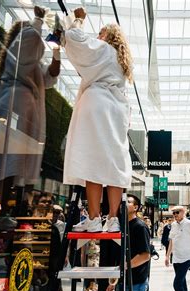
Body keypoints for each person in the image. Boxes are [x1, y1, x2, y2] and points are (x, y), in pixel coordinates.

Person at [62, 7, 133, 233]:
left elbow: (74, 39)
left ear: (108, 36)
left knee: (93, 162)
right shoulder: (122, 63)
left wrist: (79, 20)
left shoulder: (102, 49)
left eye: (101, 33)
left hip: (96, 105)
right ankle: (112, 218)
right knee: (112, 163)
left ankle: (93, 218)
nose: (98, 36)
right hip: (117, 111)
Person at [0, 6, 60, 189]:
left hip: (25, 112)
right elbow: (29, 41)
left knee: (13, 160)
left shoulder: (32, 66)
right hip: (14, 107)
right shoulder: (19, 55)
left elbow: (51, 75)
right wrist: (38, 19)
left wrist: (57, 50)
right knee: (5, 156)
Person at [106, 194, 150, 291]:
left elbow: (145, 255)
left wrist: (125, 266)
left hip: (135, 283)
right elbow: (119, 256)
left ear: (135, 207)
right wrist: (113, 281)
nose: (122, 204)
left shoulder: (140, 227)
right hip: (122, 282)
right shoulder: (120, 226)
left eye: (127, 202)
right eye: (122, 202)